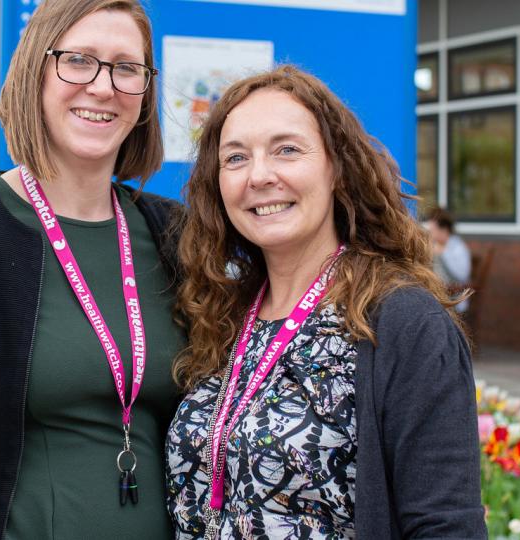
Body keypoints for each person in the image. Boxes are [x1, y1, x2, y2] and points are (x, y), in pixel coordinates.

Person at [0, 0, 184, 537]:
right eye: (79, 60)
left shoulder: (173, 233)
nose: (102, 86)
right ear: (35, 75)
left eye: (126, 67)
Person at [165, 66, 486, 539]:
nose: (259, 175)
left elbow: (445, 525)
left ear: (336, 168)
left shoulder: (403, 322)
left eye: (287, 150)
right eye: (235, 158)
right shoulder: (223, 314)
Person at [423, 207, 471, 313]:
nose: (429, 233)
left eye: (432, 230)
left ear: (444, 229)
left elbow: (462, 276)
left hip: (455, 302)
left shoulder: (458, 247)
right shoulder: (433, 246)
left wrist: (443, 254)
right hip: (437, 299)